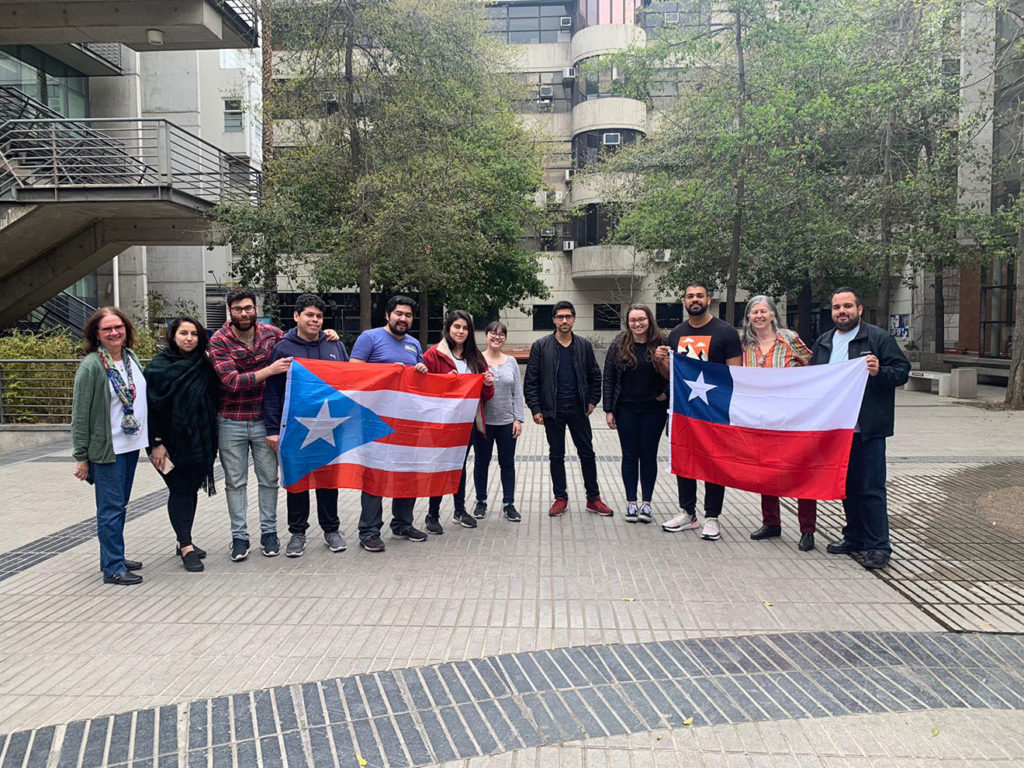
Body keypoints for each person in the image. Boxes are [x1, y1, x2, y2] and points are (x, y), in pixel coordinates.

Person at [810, 287, 909, 570]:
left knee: (871, 489)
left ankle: (879, 546)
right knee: (847, 487)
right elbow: (814, 378)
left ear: (860, 309)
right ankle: (854, 537)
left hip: (867, 429)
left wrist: (879, 371)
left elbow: (901, 371)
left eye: (847, 306)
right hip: (836, 430)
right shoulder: (824, 342)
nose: (842, 312)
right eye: (836, 307)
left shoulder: (878, 338)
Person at [264, 294, 351, 557]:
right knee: (297, 481)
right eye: (309, 315)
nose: (315, 320)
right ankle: (297, 533)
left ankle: (331, 530)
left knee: (328, 481)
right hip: (295, 428)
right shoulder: (283, 348)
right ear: (296, 316)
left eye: (319, 316)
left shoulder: (335, 346)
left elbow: (348, 383)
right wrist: (272, 429)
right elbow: (273, 390)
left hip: (331, 425)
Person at [208, 289, 291, 561]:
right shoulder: (219, 340)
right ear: (229, 311)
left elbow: (299, 343)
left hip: (266, 421)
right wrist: (269, 371)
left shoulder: (273, 334)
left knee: (269, 479)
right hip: (231, 420)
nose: (243, 313)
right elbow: (231, 382)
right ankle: (239, 537)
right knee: (235, 482)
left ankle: (269, 533)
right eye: (237, 309)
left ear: (256, 308)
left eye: (248, 308)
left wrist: (328, 336)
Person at [654, 282, 742, 541]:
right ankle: (687, 512)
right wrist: (660, 361)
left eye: (699, 296)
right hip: (684, 410)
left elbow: (735, 374)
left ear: (708, 300)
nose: (695, 299)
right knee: (684, 460)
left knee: (713, 463)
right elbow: (671, 376)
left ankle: (712, 516)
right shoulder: (676, 334)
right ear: (684, 301)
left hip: (714, 412)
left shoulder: (726, 332)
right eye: (690, 296)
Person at [71, 307, 148, 585]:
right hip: (107, 449)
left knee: (119, 506)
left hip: (131, 445)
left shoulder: (130, 358)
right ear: (96, 334)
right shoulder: (92, 366)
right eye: (107, 329)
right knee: (111, 509)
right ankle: (113, 568)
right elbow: (80, 414)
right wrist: (81, 456)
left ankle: (113, 556)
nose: (114, 332)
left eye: (119, 327)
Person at [349, 295, 430, 552]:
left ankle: (403, 523)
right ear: (387, 315)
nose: (403, 319)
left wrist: (421, 371)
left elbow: (420, 379)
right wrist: (384, 371)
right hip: (375, 420)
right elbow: (353, 372)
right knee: (375, 474)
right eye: (398, 314)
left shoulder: (414, 344)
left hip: (407, 421)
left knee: (407, 471)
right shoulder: (369, 338)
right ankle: (369, 531)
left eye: (408, 315)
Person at [740, 296, 818, 552]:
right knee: (767, 470)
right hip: (761, 418)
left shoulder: (790, 339)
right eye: (754, 312)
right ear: (748, 317)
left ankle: (807, 529)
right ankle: (771, 522)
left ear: (773, 314)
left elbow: (814, 367)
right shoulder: (745, 344)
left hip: (793, 417)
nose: (759, 316)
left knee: (801, 471)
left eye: (763, 311)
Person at [144, 316, 220, 573]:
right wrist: (156, 442)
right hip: (167, 442)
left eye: (194, 334)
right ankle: (186, 546)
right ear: (173, 336)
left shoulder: (205, 364)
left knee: (190, 489)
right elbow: (149, 410)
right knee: (178, 489)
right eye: (183, 333)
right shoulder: (157, 369)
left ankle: (183, 539)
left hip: (200, 439)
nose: (189, 338)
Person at [524, 301, 612, 518]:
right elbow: (531, 380)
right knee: (556, 454)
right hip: (552, 410)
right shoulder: (541, 346)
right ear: (554, 320)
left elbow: (595, 375)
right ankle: (560, 498)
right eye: (560, 317)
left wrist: (592, 401)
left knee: (587, 453)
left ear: (574, 319)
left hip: (578, 409)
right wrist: (535, 408)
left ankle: (593, 498)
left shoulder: (583, 345)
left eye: (568, 316)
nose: (564, 320)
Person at [422, 310, 494, 533]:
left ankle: (459, 510)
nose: (461, 331)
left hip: (468, 422)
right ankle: (432, 514)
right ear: (448, 328)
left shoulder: (475, 357)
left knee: (459, 465)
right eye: (457, 327)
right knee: (440, 466)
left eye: (465, 328)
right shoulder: (434, 355)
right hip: (442, 423)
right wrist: (444, 383)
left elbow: (486, 396)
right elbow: (423, 389)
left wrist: (488, 384)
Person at [603, 304, 668, 523]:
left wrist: (665, 394)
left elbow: (675, 372)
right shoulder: (619, 343)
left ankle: (647, 503)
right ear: (627, 322)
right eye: (633, 320)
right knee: (629, 455)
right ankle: (631, 502)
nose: (637, 324)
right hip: (625, 408)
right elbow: (609, 377)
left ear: (649, 320)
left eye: (641, 319)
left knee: (648, 455)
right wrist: (609, 409)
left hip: (654, 409)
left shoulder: (661, 342)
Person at [472, 320, 524, 523]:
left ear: (505, 338)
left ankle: (509, 504)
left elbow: (517, 393)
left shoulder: (511, 362)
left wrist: (518, 419)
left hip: (506, 422)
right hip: (483, 422)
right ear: (486, 336)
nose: (497, 337)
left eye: (501, 334)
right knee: (481, 462)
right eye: (493, 333)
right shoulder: (476, 360)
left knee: (507, 463)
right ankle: (481, 501)